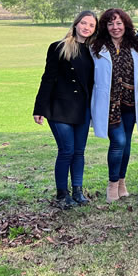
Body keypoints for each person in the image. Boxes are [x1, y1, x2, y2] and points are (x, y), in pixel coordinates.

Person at [33, 11, 97, 208]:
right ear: (76, 24)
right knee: (66, 150)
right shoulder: (59, 47)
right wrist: (39, 108)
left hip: (82, 109)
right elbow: (48, 78)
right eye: (83, 23)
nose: (86, 27)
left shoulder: (93, 51)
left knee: (79, 151)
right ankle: (62, 194)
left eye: (91, 25)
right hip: (60, 108)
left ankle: (77, 191)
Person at [90, 9, 138, 203]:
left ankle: (122, 182)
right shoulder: (96, 47)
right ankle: (112, 184)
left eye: (119, 23)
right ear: (105, 26)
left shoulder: (136, 46)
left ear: (125, 25)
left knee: (127, 143)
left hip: (130, 103)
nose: (115, 28)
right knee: (118, 141)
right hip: (109, 104)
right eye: (111, 24)